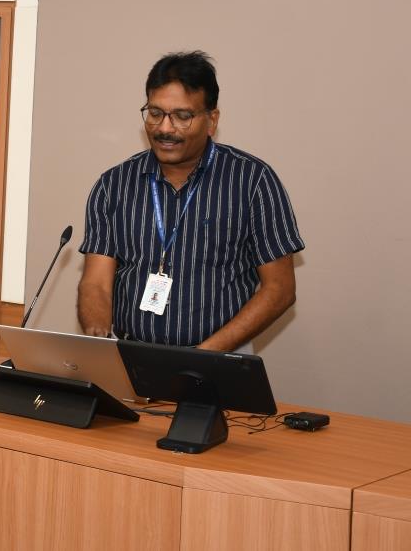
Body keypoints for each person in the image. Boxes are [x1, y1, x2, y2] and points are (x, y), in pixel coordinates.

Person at [77, 51, 303, 353]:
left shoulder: (252, 181)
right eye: (155, 113)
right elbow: (96, 284)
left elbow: (280, 289)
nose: (165, 128)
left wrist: (203, 356)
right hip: (130, 355)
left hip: (220, 357)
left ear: (212, 120)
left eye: (182, 116)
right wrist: (100, 340)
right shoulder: (113, 185)